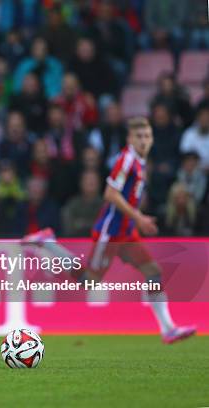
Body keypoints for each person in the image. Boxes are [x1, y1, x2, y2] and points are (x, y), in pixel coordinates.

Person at [24, 117, 196, 344]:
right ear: (130, 139)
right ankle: (48, 243)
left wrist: (135, 217)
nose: (144, 140)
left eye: (147, 136)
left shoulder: (140, 162)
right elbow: (110, 194)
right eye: (139, 136)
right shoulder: (126, 160)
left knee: (153, 272)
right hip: (112, 231)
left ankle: (168, 328)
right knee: (89, 281)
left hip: (127, 232)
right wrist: (139, 217)